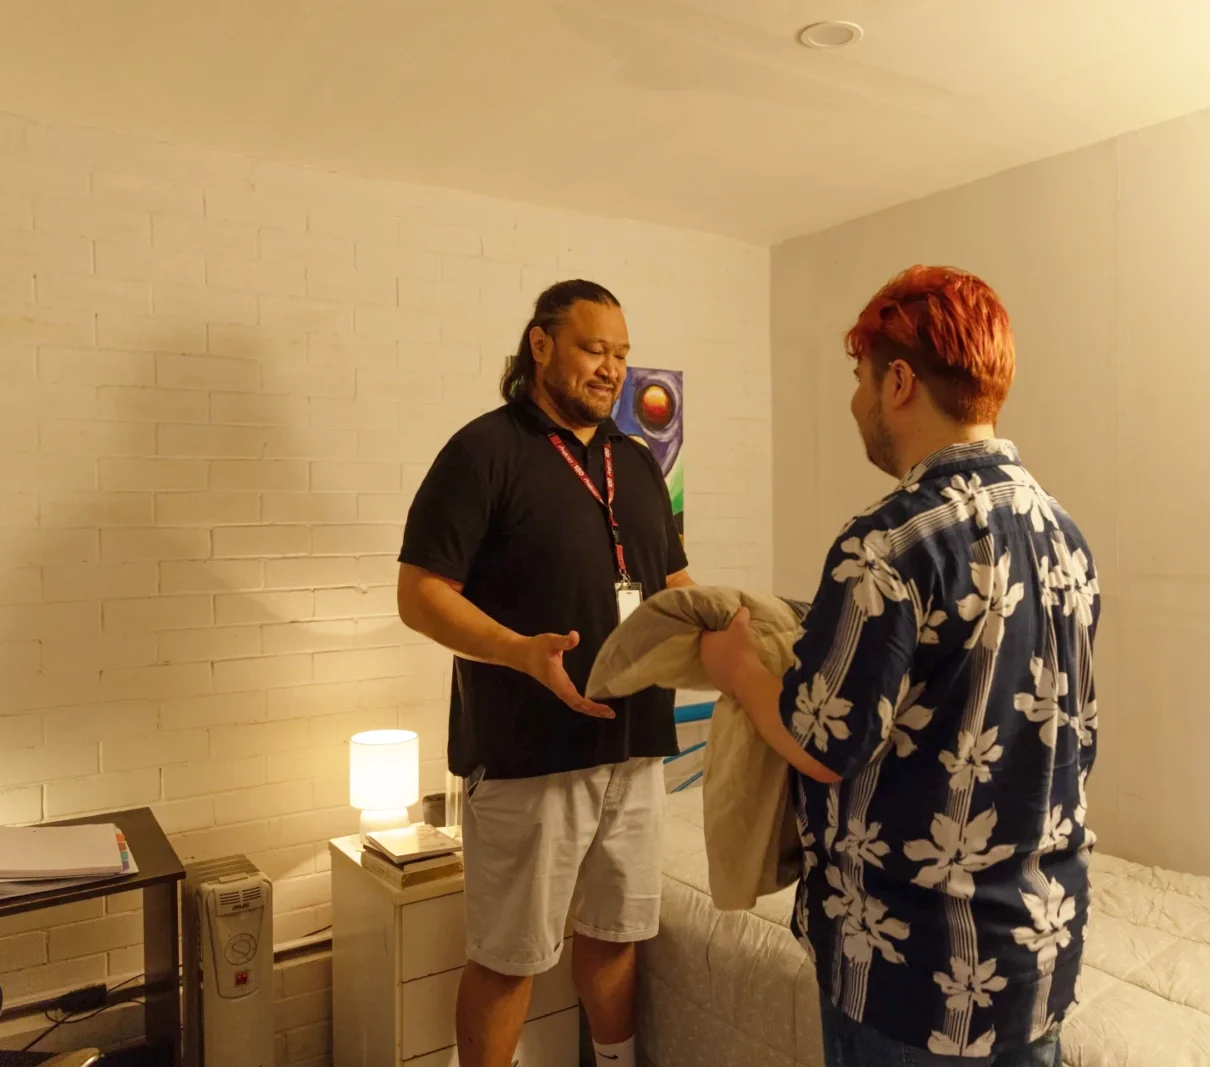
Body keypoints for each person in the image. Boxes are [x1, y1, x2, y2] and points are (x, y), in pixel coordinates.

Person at [700, 266, 1098, 1067]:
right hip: (1036, 954)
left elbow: (822, 741)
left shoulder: (885, 544)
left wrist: (738, 666)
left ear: (901, 382)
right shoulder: (1064, 534)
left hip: (911, 973)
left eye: (860, 379)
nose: (854, 403)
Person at [397, 279, 693, 1067]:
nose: (612, 369)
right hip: (530, 754)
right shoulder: (484, 450)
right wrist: (519, 651)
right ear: (541, 346)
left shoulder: (637, 462)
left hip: (635, 747)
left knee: (616, 935)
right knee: (508, 955)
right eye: (595, 348)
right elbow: (420, 595)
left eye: (622, 355)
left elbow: (672, 587)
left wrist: (734, 633)